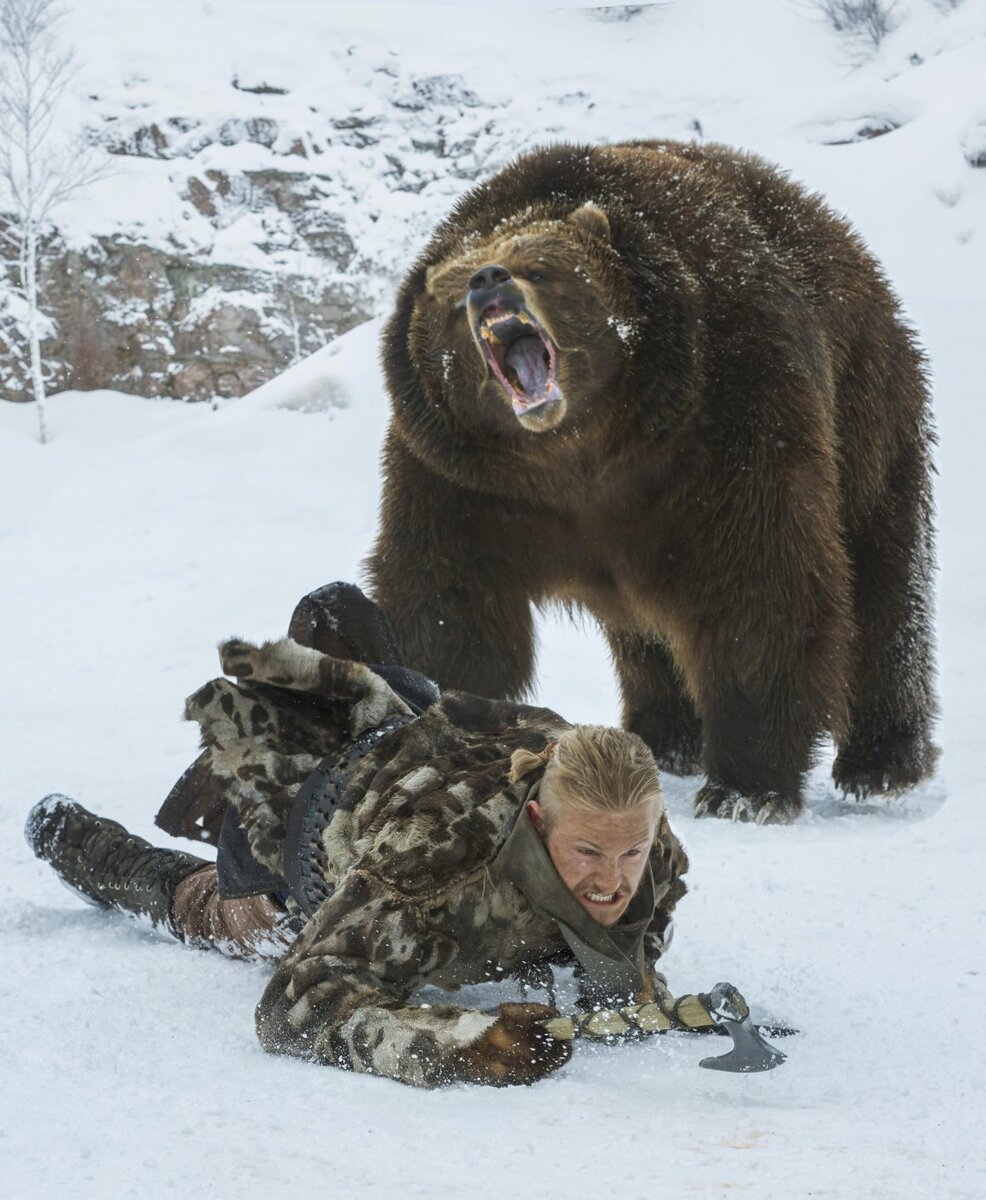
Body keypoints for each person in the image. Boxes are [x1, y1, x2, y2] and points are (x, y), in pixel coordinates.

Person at [26, 584, 715, 1089]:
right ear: (537, 820)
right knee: (212, 909)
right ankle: (69, 832)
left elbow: (626, 934)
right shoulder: (433, 864)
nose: (613, 879)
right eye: (588, 853)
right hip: (308, 830)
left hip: (410, 730)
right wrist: (465, 1045)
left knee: (380, 673)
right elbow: (293, 1010)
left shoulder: (645, 846)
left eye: (630, 851)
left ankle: (338, 680)